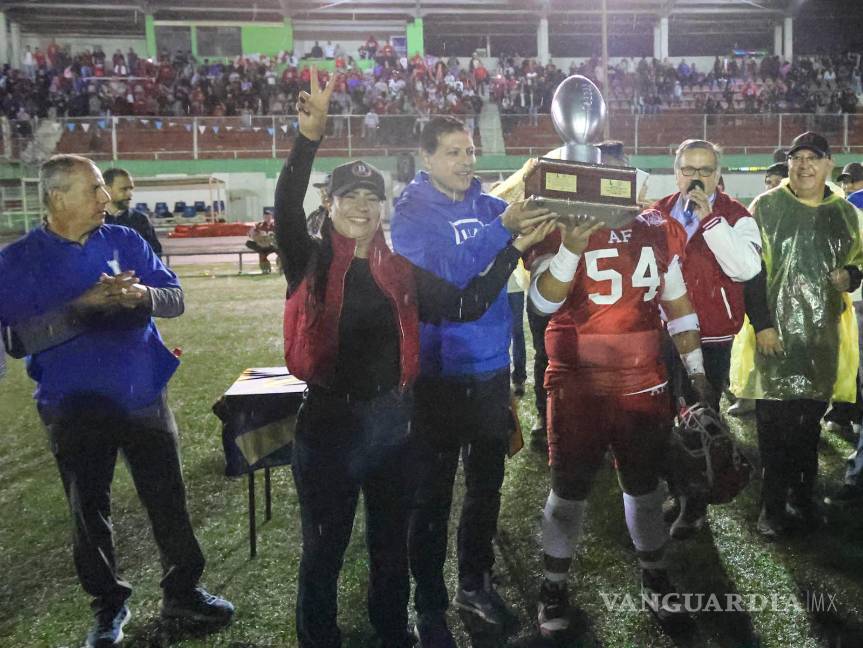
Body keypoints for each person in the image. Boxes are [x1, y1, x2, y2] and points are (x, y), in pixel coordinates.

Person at [276, 68, 555, 648]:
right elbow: (285, 201)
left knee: (388, 542)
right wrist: (309, 139)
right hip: (330, 423)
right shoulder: (308, 259)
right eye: (348, 196)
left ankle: (394, 629)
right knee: (324, 547)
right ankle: (321, 636)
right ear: (328, 205)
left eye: (369, 197)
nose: (360, 206)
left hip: (393, 423)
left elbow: (464, 301)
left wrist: (514, 248)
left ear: (381, 207)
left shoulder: (397, 271)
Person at [0, 154, 234, 648]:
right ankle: (108, 606)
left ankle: (183, 591)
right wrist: (83, 309)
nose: (106, 198)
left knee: (167, 498)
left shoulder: (125, 239)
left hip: (143, 394)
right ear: (58, 197)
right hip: (73, 405)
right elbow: (18, 340)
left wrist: (142, 297)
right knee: (91, 510)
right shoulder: (19, 260)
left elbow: (176, 298)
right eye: (94, 190)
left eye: (105, 189)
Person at [391, 116, 555, 646]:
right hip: (437, 379)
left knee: (485, 491)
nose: (466, 161)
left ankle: (475, 584)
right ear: (427, 158)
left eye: (469, 151)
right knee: (432, 498)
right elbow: (453, 271)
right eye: (453, 152)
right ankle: (429, 602)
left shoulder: (488, 206)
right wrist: (505, 229)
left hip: (489, 373)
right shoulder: (411, 215)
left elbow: (523, 247)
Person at [526, 187, 714, 637]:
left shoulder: (656, 228)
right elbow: (542, 302)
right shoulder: (560, 225)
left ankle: (654, 574)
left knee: (645, 487)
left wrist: (698, 372)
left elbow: (678, 306)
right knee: (568, 489)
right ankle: (553, 585)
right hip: (579, 382)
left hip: (643, 380)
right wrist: (571, 246)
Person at [731, 132, 863, 539]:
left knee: (808, 428)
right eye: (797, 158)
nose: (804, 165)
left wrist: (851, 276)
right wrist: (764, 325)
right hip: (775, 337)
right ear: (789, 164)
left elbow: (859, 262)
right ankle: (771, 508)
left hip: (823, 337)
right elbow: (750, 274)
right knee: (774, 427)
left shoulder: (844, 213)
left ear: (828, 165)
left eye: (813, 158)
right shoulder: (766, 208)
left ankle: (802, 500)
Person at [649, 139, 762, 539]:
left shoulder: (736, 215)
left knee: (701, 423)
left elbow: (746, 269)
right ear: (675, 170)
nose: (696, 178)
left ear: (718, 173)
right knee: (663, 418)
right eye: (688, 169)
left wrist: (711, 220)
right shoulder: (656, 214)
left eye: (706, 170)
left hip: (712, 338)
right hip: (662, 335)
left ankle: (694, 506)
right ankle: (677, 491)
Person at [728, 160, 788, 419]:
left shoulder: (796, 215)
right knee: (752, 344)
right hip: (760, 288)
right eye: (768, 182)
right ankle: (749, 396)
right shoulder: (760, 208)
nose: (771, 187)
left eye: (777, 182)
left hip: (788, 295)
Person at [103, 168, 162, 255]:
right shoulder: (92, 220)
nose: (130, 194)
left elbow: (155, 255)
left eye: (131, 189)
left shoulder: (141, 220)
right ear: (107, 190)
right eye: (124, 189)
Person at [245, 208, 278, 273]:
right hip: (262, 245)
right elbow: (249, 234)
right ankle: (265, 268)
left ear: (271, 217)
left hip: (271, 245)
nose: (267, 218)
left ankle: (281, 266)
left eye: (269, 216)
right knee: (249, 243)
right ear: (263, 217)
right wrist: (253, 233)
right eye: (266, 217)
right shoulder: (259, 225)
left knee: (280, 250)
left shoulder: (275, 225)